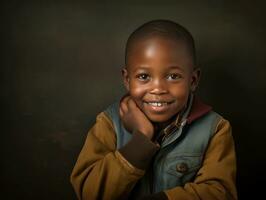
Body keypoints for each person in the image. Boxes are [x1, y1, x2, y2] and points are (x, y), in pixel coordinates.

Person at [70, 19, 237, 200]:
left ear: (193, 80)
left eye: (173, 76)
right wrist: (140, 141)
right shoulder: (109, 123)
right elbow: (89, 194)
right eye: (143, 76)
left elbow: (220, 193)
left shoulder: (215, 128)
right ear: (127, 80)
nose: (158, 89)